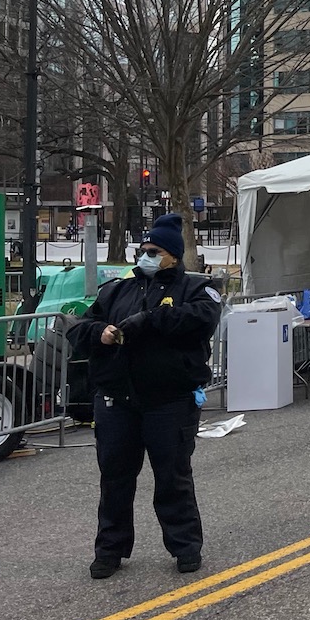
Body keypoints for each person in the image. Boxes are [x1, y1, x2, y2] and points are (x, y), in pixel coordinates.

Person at [66, 214, 219, 579]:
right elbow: (78, 327)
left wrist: (150, 320)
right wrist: (99, 331)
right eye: (143, 249)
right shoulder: (117, 290)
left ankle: (185, 547)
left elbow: (202, 318)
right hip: (118, 401)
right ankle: (110, 550)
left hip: (169, 401)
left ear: (173, 256)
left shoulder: (195, 288)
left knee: (172, 476)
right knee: (115, 477)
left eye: (155, 251)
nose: (146, 256)